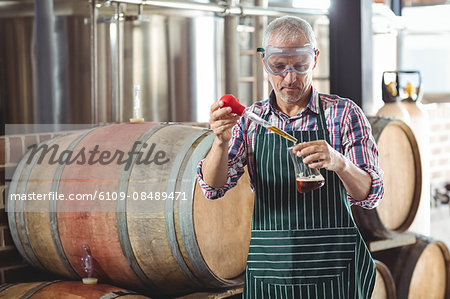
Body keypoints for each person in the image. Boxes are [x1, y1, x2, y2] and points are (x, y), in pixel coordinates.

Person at [197, 16, 384, 299]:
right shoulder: (251, 121)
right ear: (264, 63)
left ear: (315, 59)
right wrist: (221, 142)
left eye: (300, 65)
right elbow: (213, 188)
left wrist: (340, 163)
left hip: (336, 268)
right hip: (272, 268)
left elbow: (371, 195)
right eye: (279, 67)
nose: (290, 78)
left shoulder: (344, 114)